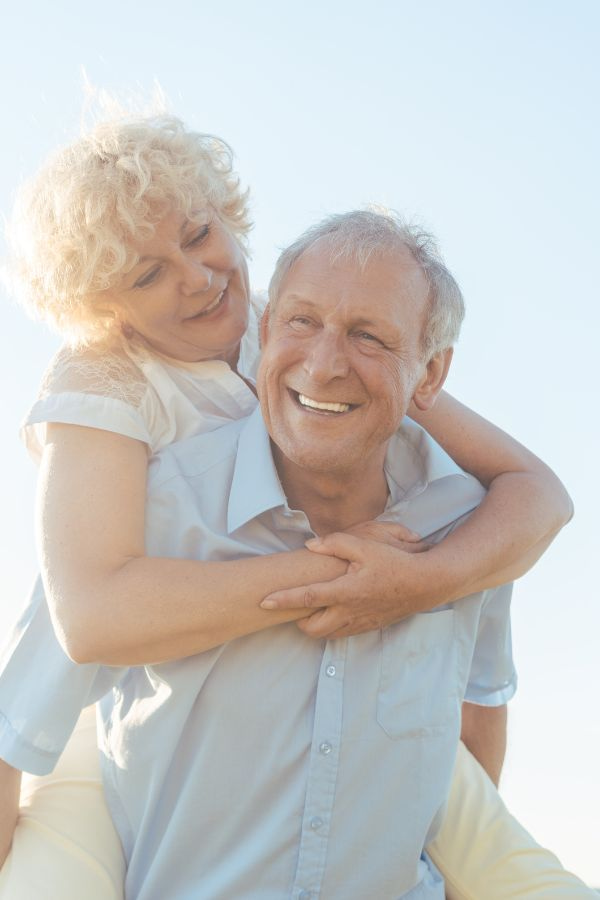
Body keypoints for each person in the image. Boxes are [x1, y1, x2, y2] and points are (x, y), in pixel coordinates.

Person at [0, 113, 582, 894]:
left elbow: (535, 490)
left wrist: (421, 581)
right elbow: (86, 618)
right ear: (107, 309)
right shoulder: (103, 393)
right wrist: (343, 578)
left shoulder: (299, 329)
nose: (199, 277)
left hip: (344, 701)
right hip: (117, 715)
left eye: (199, 234)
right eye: (146, 275)